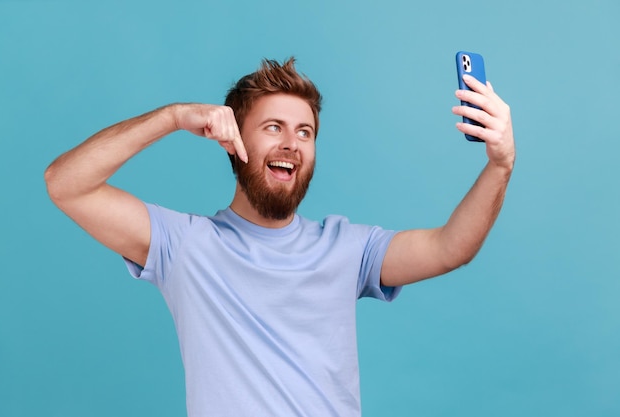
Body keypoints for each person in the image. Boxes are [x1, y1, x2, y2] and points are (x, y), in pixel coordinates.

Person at [44, 57, 515, 416]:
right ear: (234, 140)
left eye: (305, 132)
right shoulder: (183, 245)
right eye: (274, 128)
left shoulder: (347, 247)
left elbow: (451, 248)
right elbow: (66, 184)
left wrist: (500, 165)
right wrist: (172, 117)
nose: (291, 143)